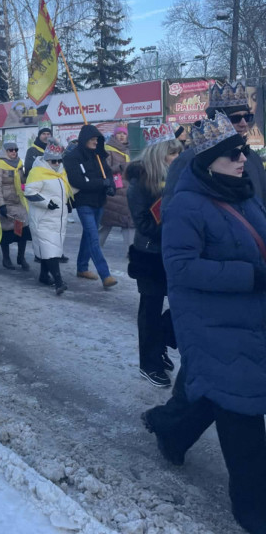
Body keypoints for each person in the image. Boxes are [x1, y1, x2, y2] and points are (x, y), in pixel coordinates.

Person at [151, 112, 266, 534]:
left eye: (244, 151)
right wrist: (250, 276)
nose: (242, 158)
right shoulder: (186, 204)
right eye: (233, 153)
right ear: (209, 161)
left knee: (218, 392)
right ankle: (256, 513)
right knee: (243, 409)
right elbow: (181, 268)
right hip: (212, 322)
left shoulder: (243, 193)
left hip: (249, 315)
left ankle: (171, 431)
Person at [126, 125, 182, 387]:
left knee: (182, 304)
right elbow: (145, 224)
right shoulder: (139, 181)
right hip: (149, 254)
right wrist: (177, 221)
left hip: (175, 250)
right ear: (160, 153)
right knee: (150, 309)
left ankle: (158, 342)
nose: (177, 156)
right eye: (173, 153)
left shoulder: (176, 175)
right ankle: (148, 363)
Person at [163, 80, 266, 210]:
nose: (244, 123)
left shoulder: (253, 158)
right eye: (235, 118)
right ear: (217, 120)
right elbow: (171, 211)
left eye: (248, 117)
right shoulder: (187, 161)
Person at [63, 124, 117, 289]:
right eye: (92, 139)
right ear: (85, 139)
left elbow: (108, 174)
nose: (95, 142)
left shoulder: (99, 156)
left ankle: (82, 267)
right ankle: (105, 274)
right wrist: (101, 183)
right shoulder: (73, 157)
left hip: (99, 201)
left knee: (88, 235)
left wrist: (111, 186)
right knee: (94, 238)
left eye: (97, 139)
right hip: (84, 202)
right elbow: (77, 181)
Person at [24, 138, 72, 294]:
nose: (57, 164)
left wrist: (69, 202)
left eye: (59, 160)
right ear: (46, 159)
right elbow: (30, 192)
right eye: (53, 161)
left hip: (58, 219)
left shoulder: (61, 172)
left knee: (51, 248)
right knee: (50, 249)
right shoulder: (37, 172)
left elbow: (66, 190)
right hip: (43, 218)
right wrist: (47, 203)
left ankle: (44, 275)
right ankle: (59, 282)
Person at [0, 140, 31, 271]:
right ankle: (6, 258)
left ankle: (21, 258)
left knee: (23, 230)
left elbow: (23, 180)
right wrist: (1, 204)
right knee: (7, 232)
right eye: (10, 150)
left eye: (15, 149)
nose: (13, 152)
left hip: (18, 201)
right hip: (6, 203)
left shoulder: (19, 163)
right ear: (5, 151)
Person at [99, 126, 134, 251]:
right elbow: (106, 170)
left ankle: (131, 251)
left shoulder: (125, 150)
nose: (122, 136)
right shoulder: (108, 150)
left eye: (124, 134)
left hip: (125, 192)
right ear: (114, 135)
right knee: (107, 222)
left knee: (127, 223)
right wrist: (121, 166)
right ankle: (94, 247)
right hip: (113, 192)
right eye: (119, 133)